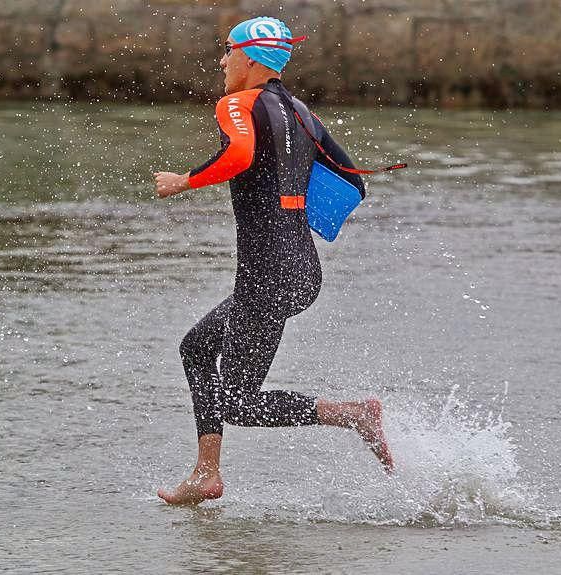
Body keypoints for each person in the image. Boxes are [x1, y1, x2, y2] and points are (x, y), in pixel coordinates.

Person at [153, 16, 393, 505]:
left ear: (251, 58)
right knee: (197, 348)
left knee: (239, 401)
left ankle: (353, 415)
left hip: (267, 271)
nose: (222, 61)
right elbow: (352, 179)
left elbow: (239, 156)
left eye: (227, 51)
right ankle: (206, 472)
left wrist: (185, 180)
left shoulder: (237, 103)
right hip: (300, 267)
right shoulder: (302, 112)